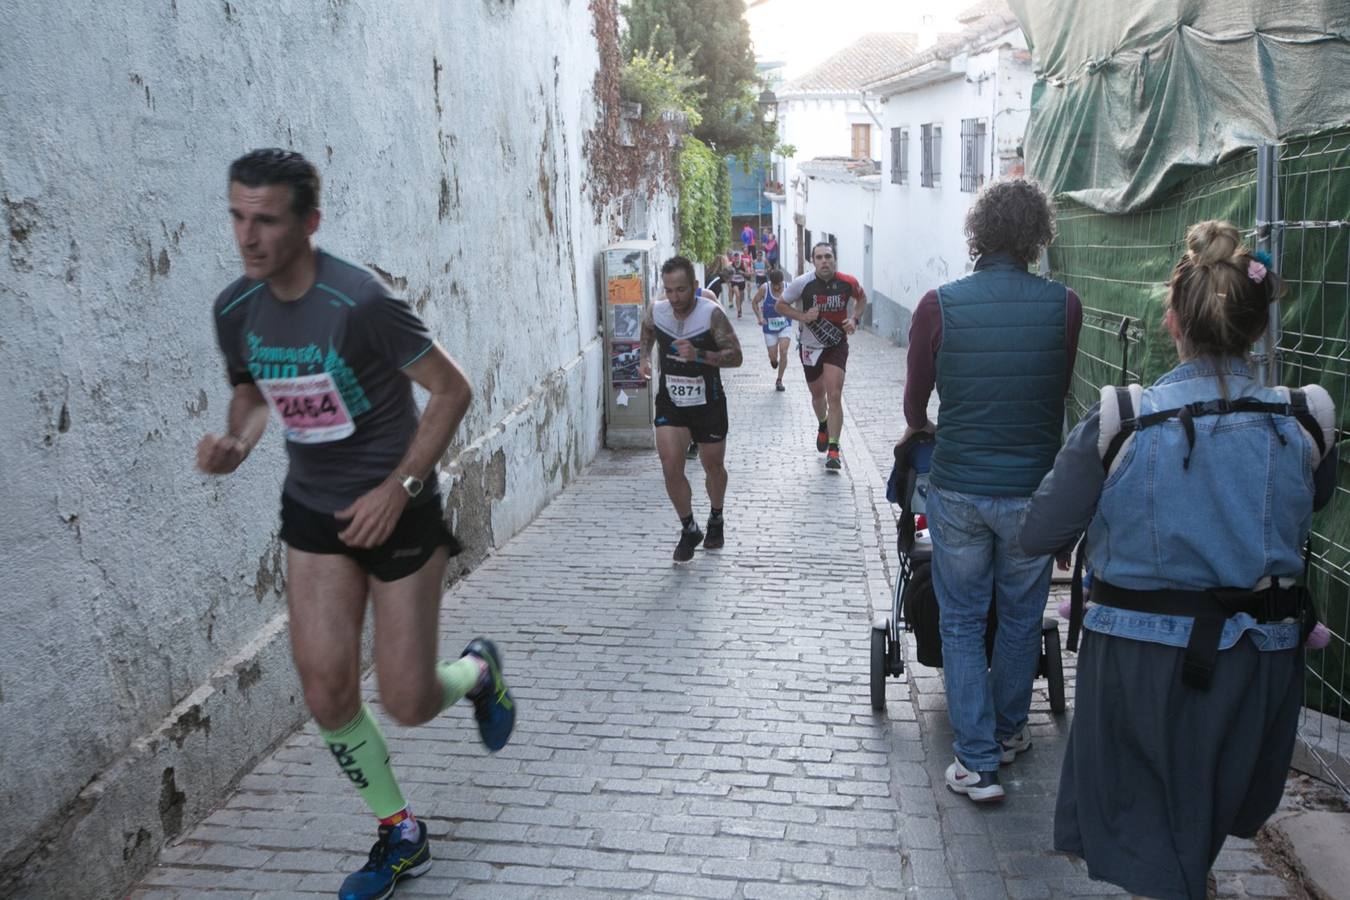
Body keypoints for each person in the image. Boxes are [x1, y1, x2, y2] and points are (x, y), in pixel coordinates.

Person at [199, 149, 515, 900]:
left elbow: (451, 389)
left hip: (398, 514)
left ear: (309, 222)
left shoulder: (360, 302)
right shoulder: (234, 308)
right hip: (313, 515)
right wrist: (239, 440)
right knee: (327, 691)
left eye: (267, 219)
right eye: (238, 216)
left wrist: (398, 487)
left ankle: (478, 672)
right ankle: (400, 830)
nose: (248, 237)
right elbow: (250, 389)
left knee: (406, 701)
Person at [1022, 220, 1337, 899]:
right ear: (1257, 328)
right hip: (1260, 659)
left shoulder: (1121, 420)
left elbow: (1039, 531)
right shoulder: (1307, 417)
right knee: (1196, 821)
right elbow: (1311, 500)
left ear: (1172, 320)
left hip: (1140, 663)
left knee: (1151, 834)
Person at [901, 179, 1082, 802]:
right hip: (1033, 488)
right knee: (1020, 617)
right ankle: (1007, 734)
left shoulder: (938, 304)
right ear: (1037, 236)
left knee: (961, 617)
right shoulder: (1065, 305)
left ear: (977, 232)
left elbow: (914, 403)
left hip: (958, 490)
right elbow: (1054, 393)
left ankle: (976, 762)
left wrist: (925, 428)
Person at [639, 255, 744, 562]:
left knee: (713, 467)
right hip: (672, 403)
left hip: (708, 402)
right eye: (669, 290)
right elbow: (646, 332)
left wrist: (699, 354)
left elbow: (735, 356)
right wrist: (644, 358)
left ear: (695, 286)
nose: (675, 298)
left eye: (682, 290)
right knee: (671, 465)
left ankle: (716, 517)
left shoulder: (711, 314)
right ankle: (689, 528)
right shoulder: (657, 311)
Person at [777, 242, 867, 471]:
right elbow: (780, 305)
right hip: (809, 346)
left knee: (834, 394)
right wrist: (803, 316)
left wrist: (854, 319)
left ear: (835, 259)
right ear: (813, 261)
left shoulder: (848, 282)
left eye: (828, 256)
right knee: (818, 396)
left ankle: (834, 449)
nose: (824, 261)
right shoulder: (802, 284)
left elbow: (862, 299)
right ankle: (823, 424)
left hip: (836, 344)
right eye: (819, 257)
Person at [752, 269, 792, 391]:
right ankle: (773, 360)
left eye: (778, 285)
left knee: (784, 351)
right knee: (773, 357)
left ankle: (779, 380)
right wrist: (759, 317)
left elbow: (797, 301)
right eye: (774, 284)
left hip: (785, 323)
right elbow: (754, 303)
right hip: (769, 327)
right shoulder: (765, 288)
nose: (776, 287)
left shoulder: (788, 287)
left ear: (782, 282)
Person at [728, 248, 748, 317]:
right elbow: (728, 274)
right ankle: (739, 310)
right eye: (735, 258)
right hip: (734, 282)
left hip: (742, 282)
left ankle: (740, 306)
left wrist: (743, 273)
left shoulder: (743, 264)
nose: (736, 260)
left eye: (737, 258)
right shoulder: (731, 265)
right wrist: (729, 281)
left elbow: (748, 274)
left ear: (739, 258)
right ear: (734, 258)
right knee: (737, 295)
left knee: (741, 298)